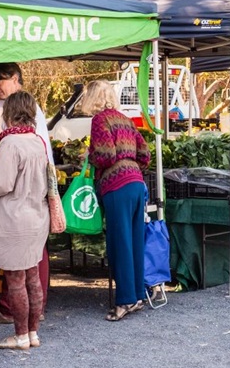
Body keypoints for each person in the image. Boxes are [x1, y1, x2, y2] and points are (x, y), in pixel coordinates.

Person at [0, 92, 50, 350]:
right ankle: (33, 333)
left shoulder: (10, 143)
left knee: (16, 280)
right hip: (37, 217)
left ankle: (21, 336)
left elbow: (2, 185)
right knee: (32, 279)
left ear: (9, 113)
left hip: (14, 220)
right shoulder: (36, 141)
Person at [0, 62, 54, 324]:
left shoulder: (21, 113)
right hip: (34, 192)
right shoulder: (22, 110)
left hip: (22, 198)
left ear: (15, 79)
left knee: (21, 268)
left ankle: (17, 320)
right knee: (33, 263)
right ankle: (33, 318)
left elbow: (3, 180)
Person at [82, 80, 151, 321]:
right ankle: (138, 295)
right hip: (135, 182)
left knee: (119, 243)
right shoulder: (125, 120)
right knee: (134, 241)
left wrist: (89, 155)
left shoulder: (100, 120)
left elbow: (105, 155)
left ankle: (125, 300)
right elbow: (145, 154)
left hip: (116, 186)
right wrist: (130, 165)